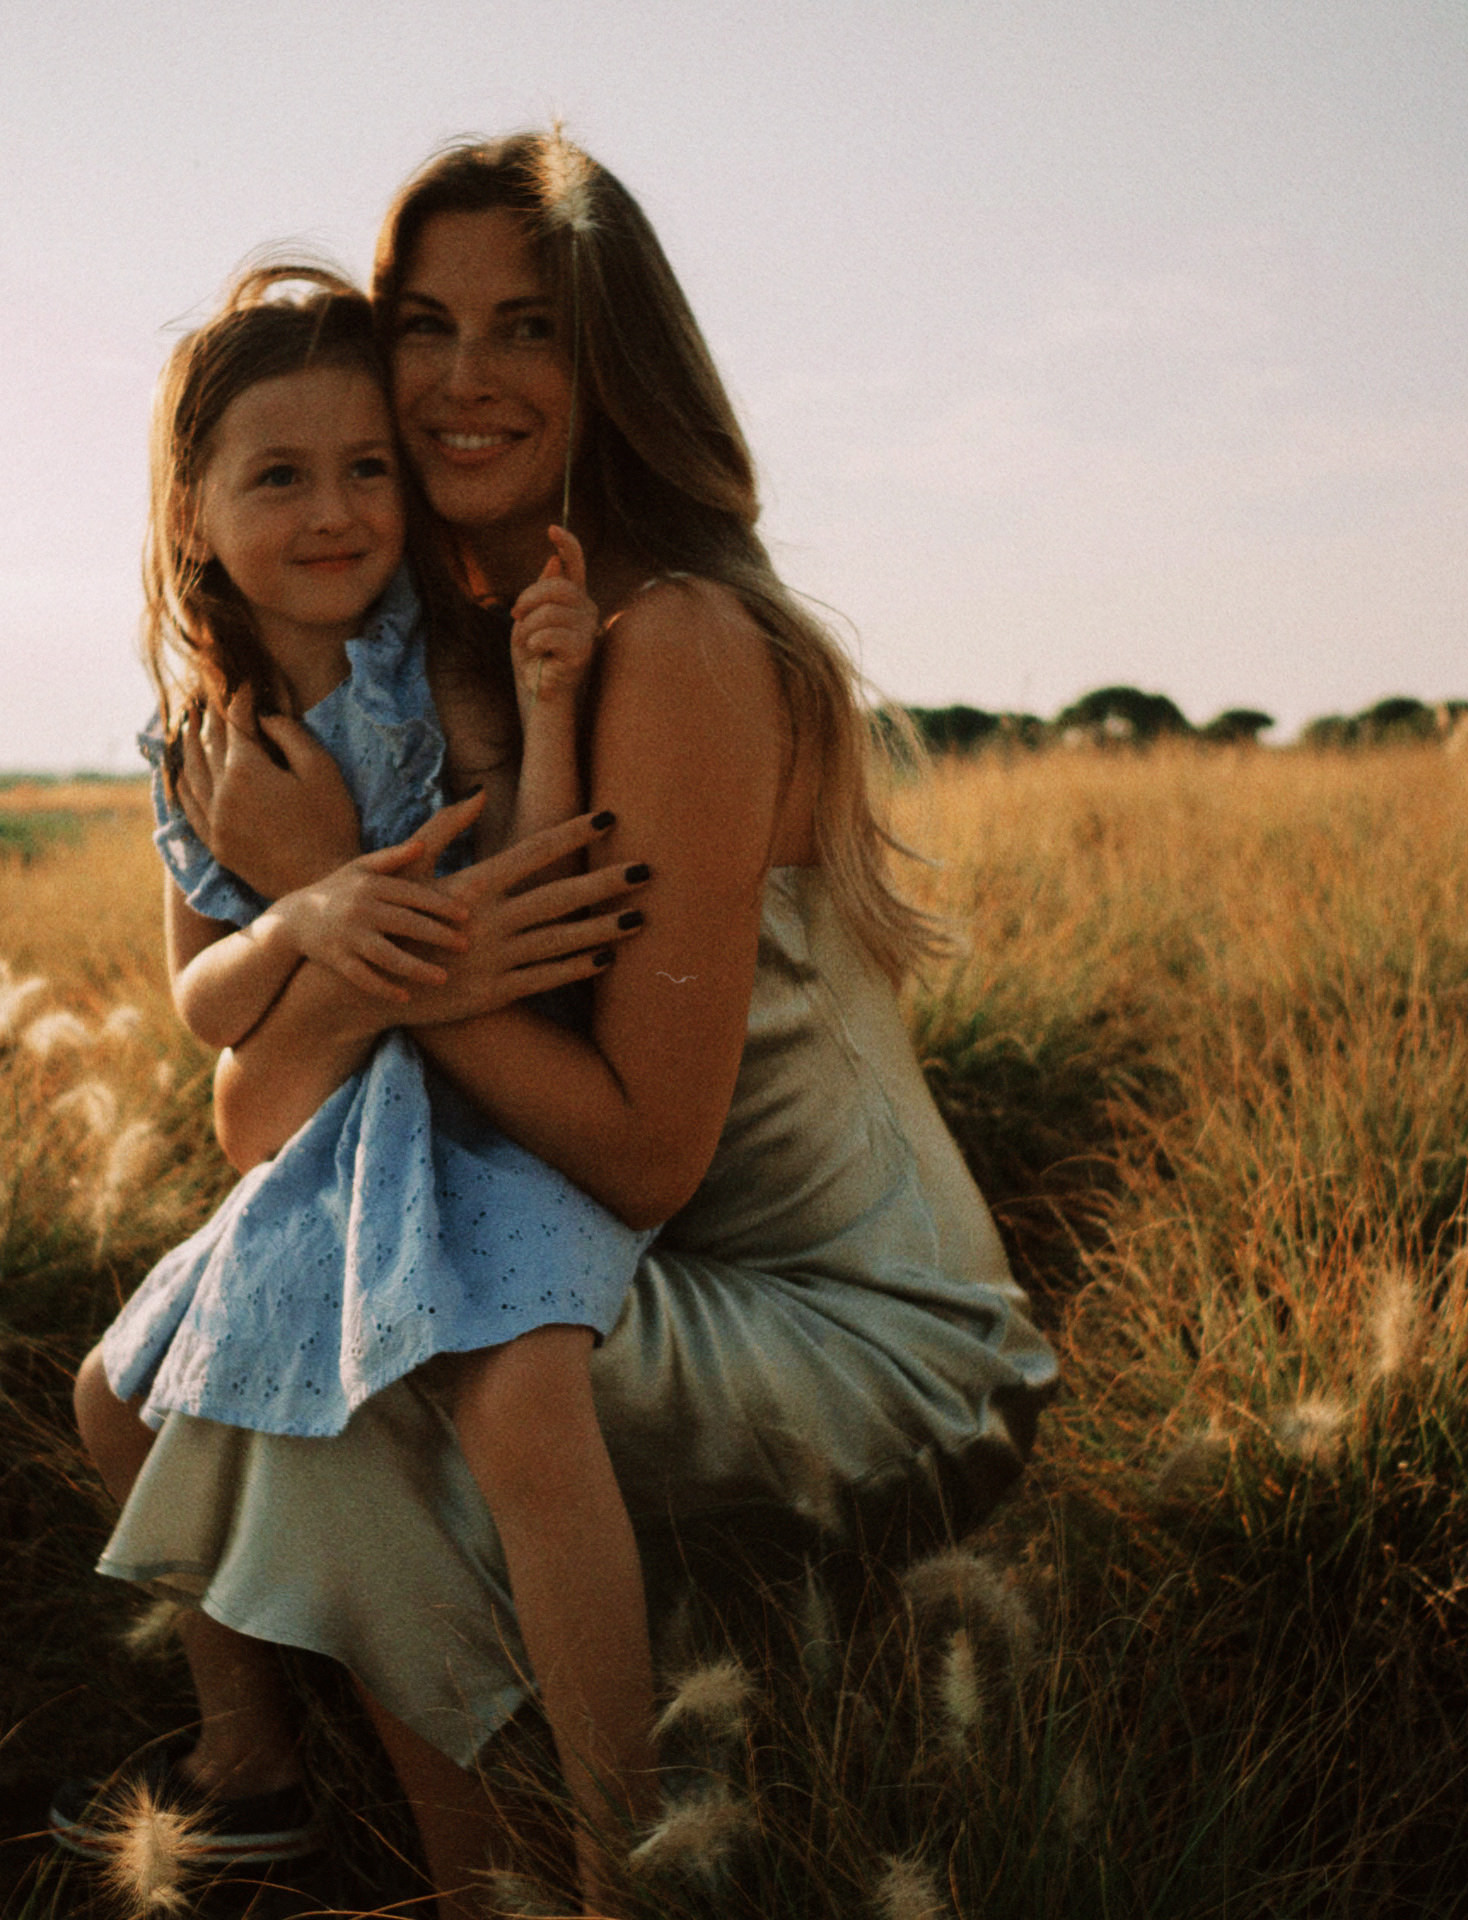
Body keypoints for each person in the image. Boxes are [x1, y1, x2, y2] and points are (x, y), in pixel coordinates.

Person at [95, 133, 1059, 1917]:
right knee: (300, 1315)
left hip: (873, 1346)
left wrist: (365, 924)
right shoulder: (454, 655)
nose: (465, 380)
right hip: (644, 1294)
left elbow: (641, 1148)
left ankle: (561, 1882)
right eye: (429, 327)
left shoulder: (676, 639)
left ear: (612, 358)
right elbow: (254, 1117)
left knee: (366, 1360)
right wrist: (340, 913)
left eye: (527, 328)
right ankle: (473, 1858)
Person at [60, 264, 664, 1870]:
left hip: (487, 1118)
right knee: (111, 1401)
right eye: (279, 476)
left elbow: (541, 893)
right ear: (192, 514)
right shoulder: (202, 744)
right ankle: (250, 1751)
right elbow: (208, 1008)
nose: (333, 512)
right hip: (334, 1131)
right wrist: (308, 917)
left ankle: (602, 1838)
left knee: (505, 1393)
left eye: (366, 469)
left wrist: (542, 708)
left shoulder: (446, 659)